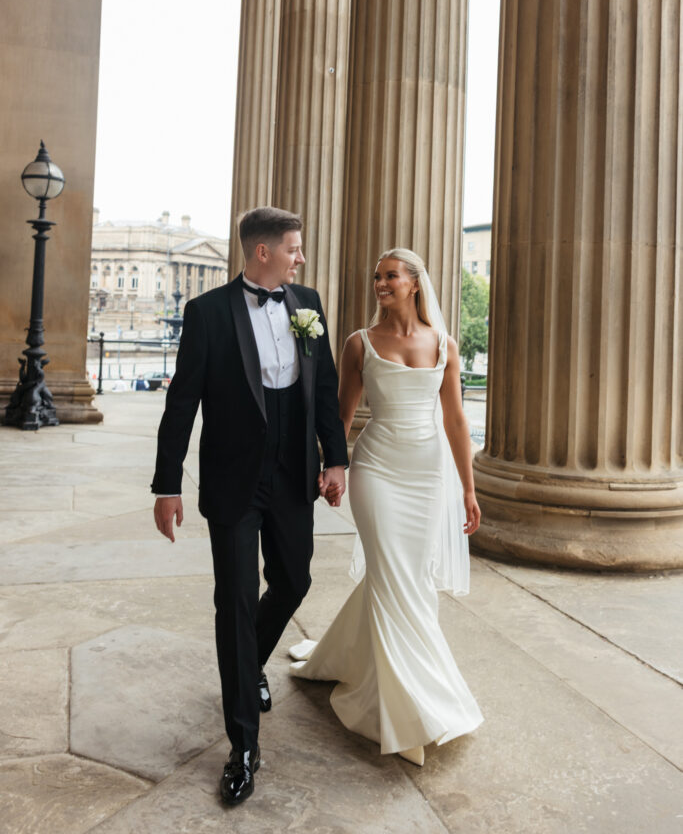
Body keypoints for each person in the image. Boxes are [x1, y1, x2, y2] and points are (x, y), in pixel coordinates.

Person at [152, 207, 348, 806]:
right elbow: (183, 402)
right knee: (233, 602)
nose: (301, 257)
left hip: (293, 475)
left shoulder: (306, 301)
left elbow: (324, 389)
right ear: (262, 252)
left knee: (294, 580)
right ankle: (242, 744)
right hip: (235, 480)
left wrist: (334, 459)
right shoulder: (207, 313)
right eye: (294, 247)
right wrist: (166, 485)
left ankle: (248, 665)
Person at [289, 248, 484, 766]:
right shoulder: (359, 343)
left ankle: (357, 661)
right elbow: (342, 413)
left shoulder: (445, 345)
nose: (380, 283)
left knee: (411, 577)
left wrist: (467, 489)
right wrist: (332, 466)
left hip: (427, 477)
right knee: (390, 571)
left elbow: (457, 423)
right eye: (376, 276)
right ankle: (407, 708)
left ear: (415, 284)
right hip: (375, 470)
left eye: (390, 276)